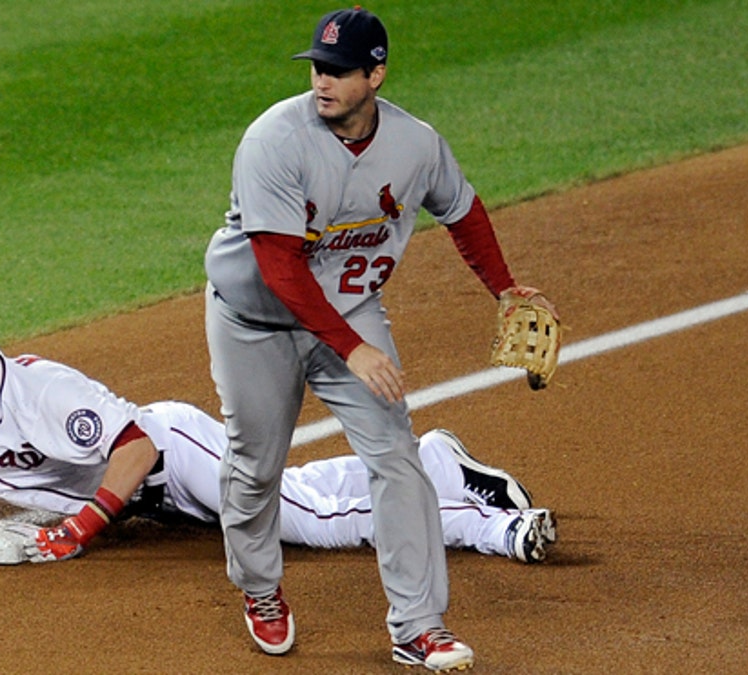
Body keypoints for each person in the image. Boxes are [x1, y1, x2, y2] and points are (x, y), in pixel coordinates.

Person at [202, 6, 560, 671]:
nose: (322, 81)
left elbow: (463, 209)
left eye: (338, 70)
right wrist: (353, 347)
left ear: (377, 73)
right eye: (316, 67)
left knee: (398, 454)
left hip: (349, 310)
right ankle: (259, 587)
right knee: (255, 464)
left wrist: (503, 286)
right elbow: (281, 268)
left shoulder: (416, 144)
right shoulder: (273, 141)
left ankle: (419, 625)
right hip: (252, 320)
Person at [0, 288, 556, 570]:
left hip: (168, 453)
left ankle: (492, 524)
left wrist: (82, 526)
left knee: (306, 525)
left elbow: (136, 446)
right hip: (146, 494)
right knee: (306, 492)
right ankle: (435, 460)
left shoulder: (42, 390)